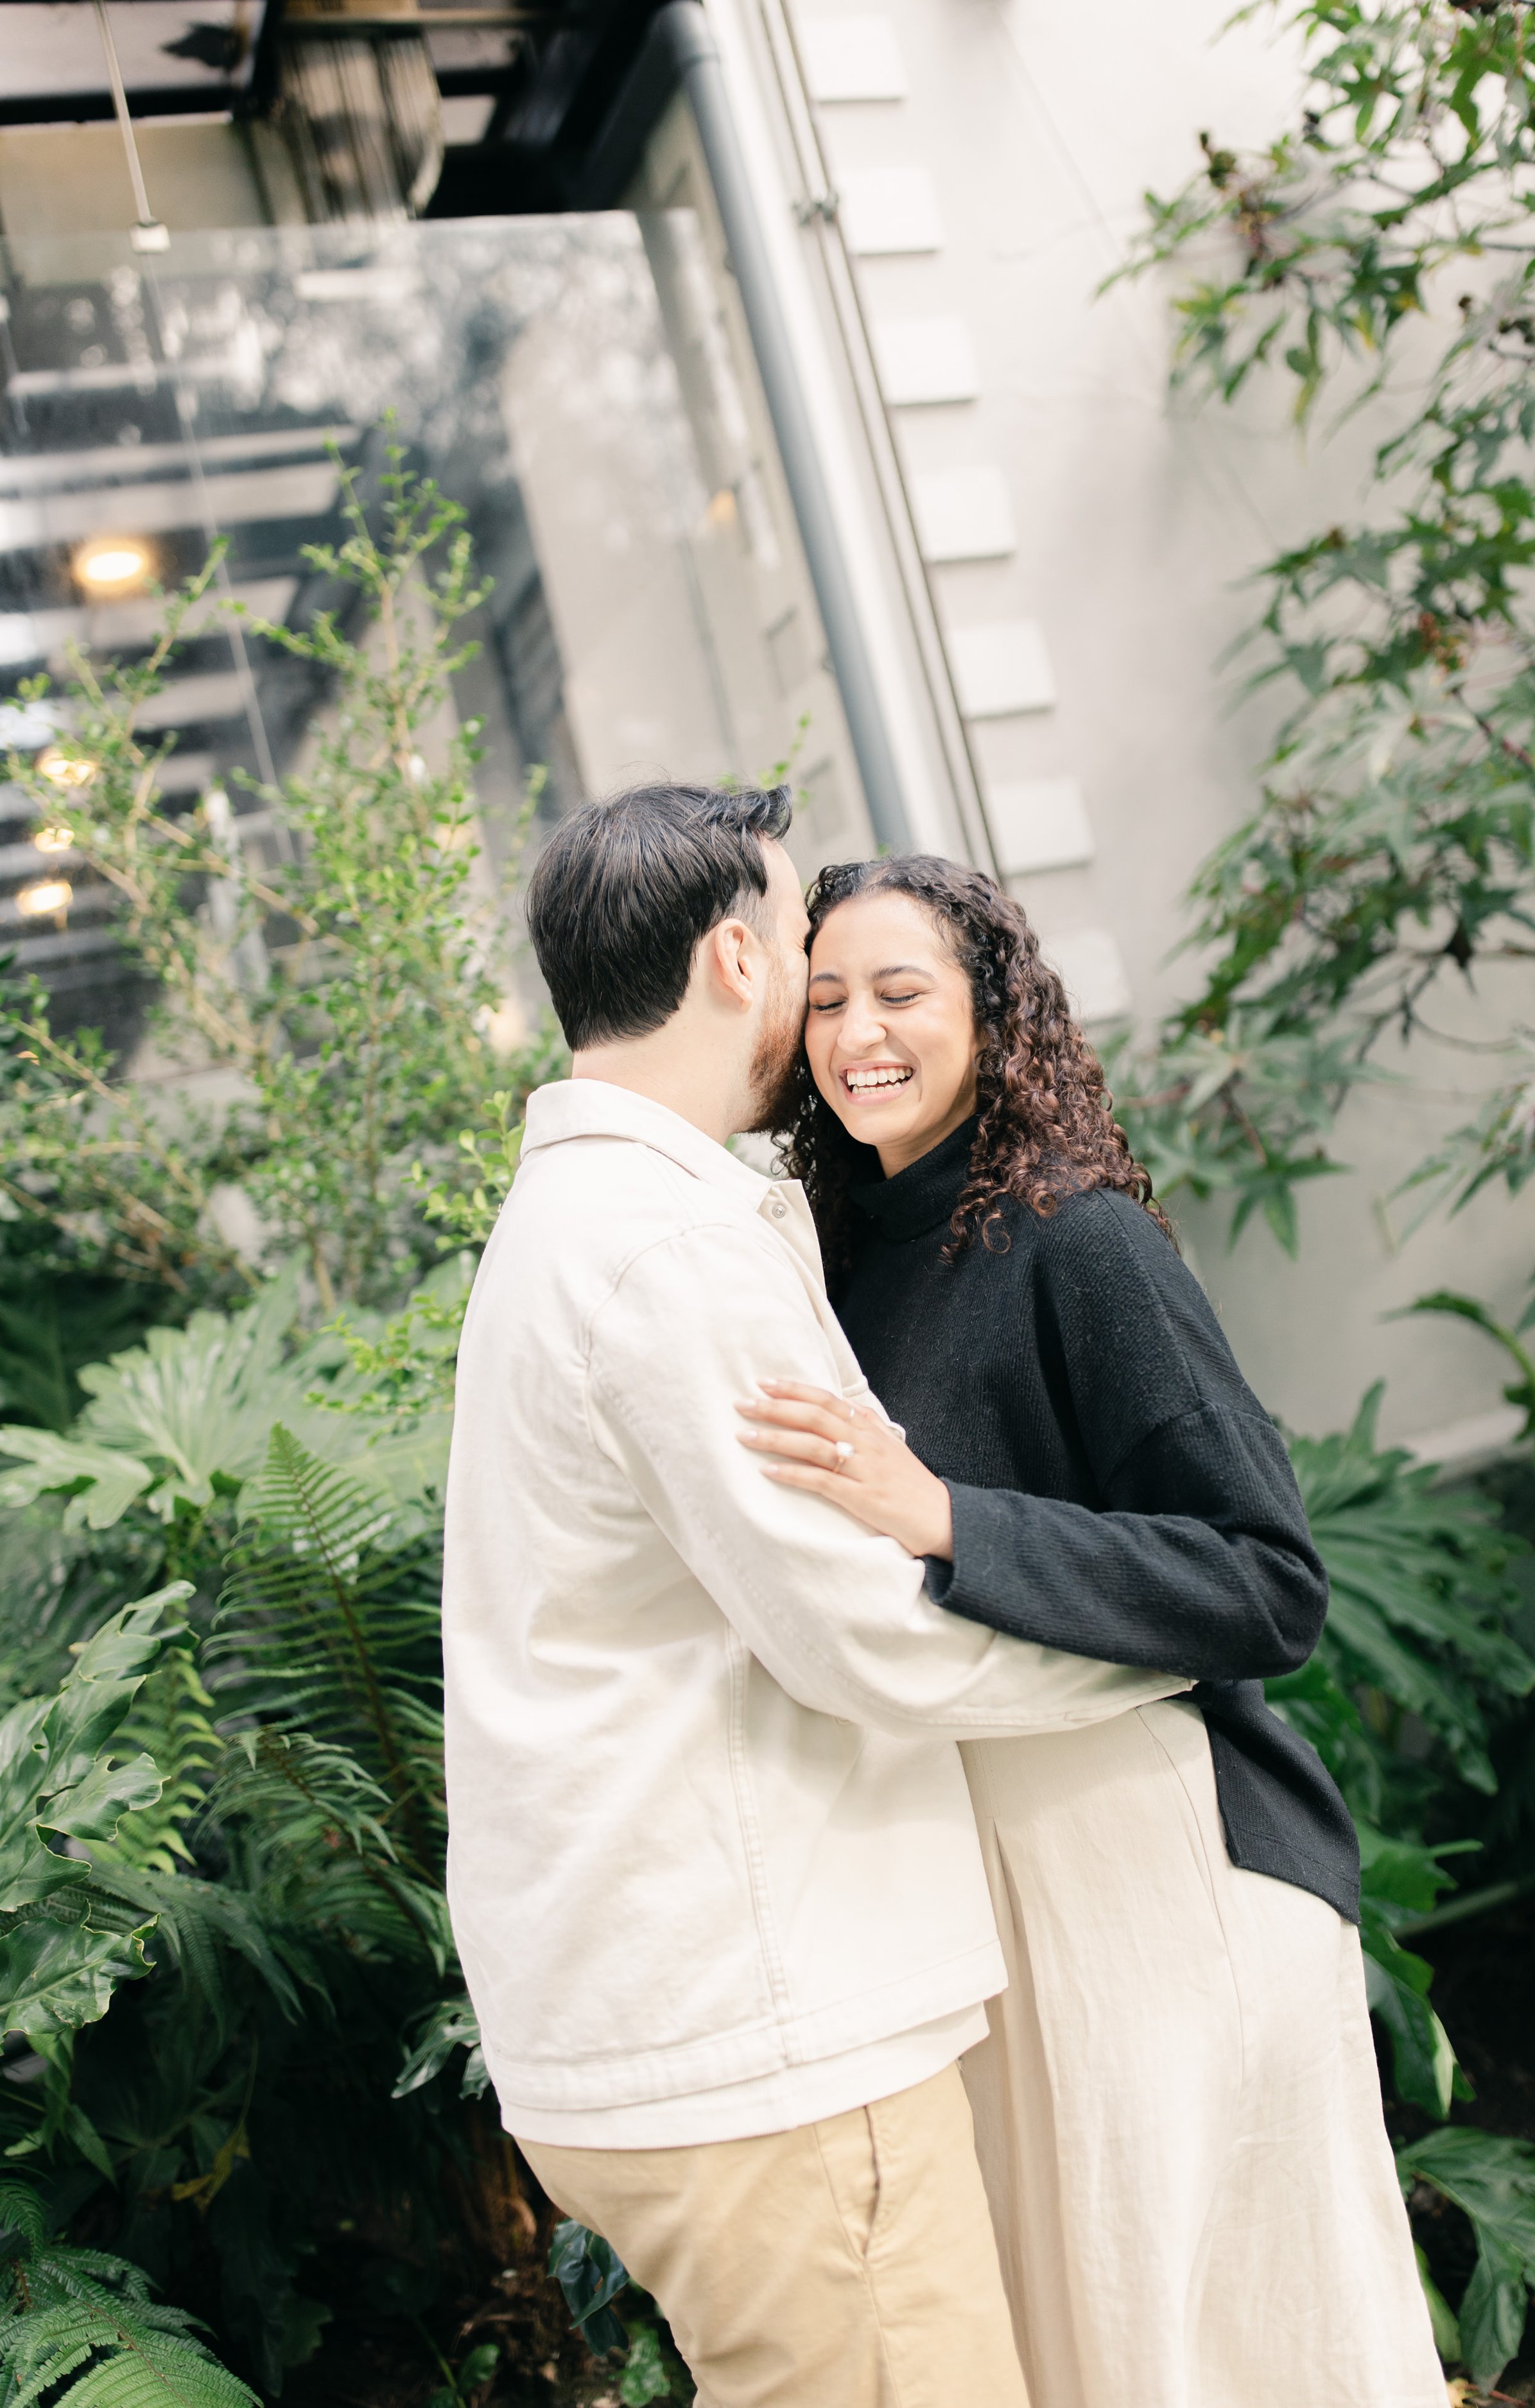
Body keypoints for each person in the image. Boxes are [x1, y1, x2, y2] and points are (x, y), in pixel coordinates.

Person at [440, 785, 1188, 2408]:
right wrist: (1153, 1650)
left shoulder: (581, 1222)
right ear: (731, 959)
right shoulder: (661, 1254)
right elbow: (866, 1635)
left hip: (654, 2030)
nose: (818, 979)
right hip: (760, 2036)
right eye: (796, 940)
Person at [742, 853, 1446, 2408]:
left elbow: (1266, 1582)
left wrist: (946, 1518)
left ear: (991, 1011)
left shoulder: (1079, 1242)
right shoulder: (835, 1260)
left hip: (1163, 1885)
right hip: (982, 1905)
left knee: (1226, 2347)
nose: (859, 1031)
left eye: (903, 991)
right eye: (829, 999)